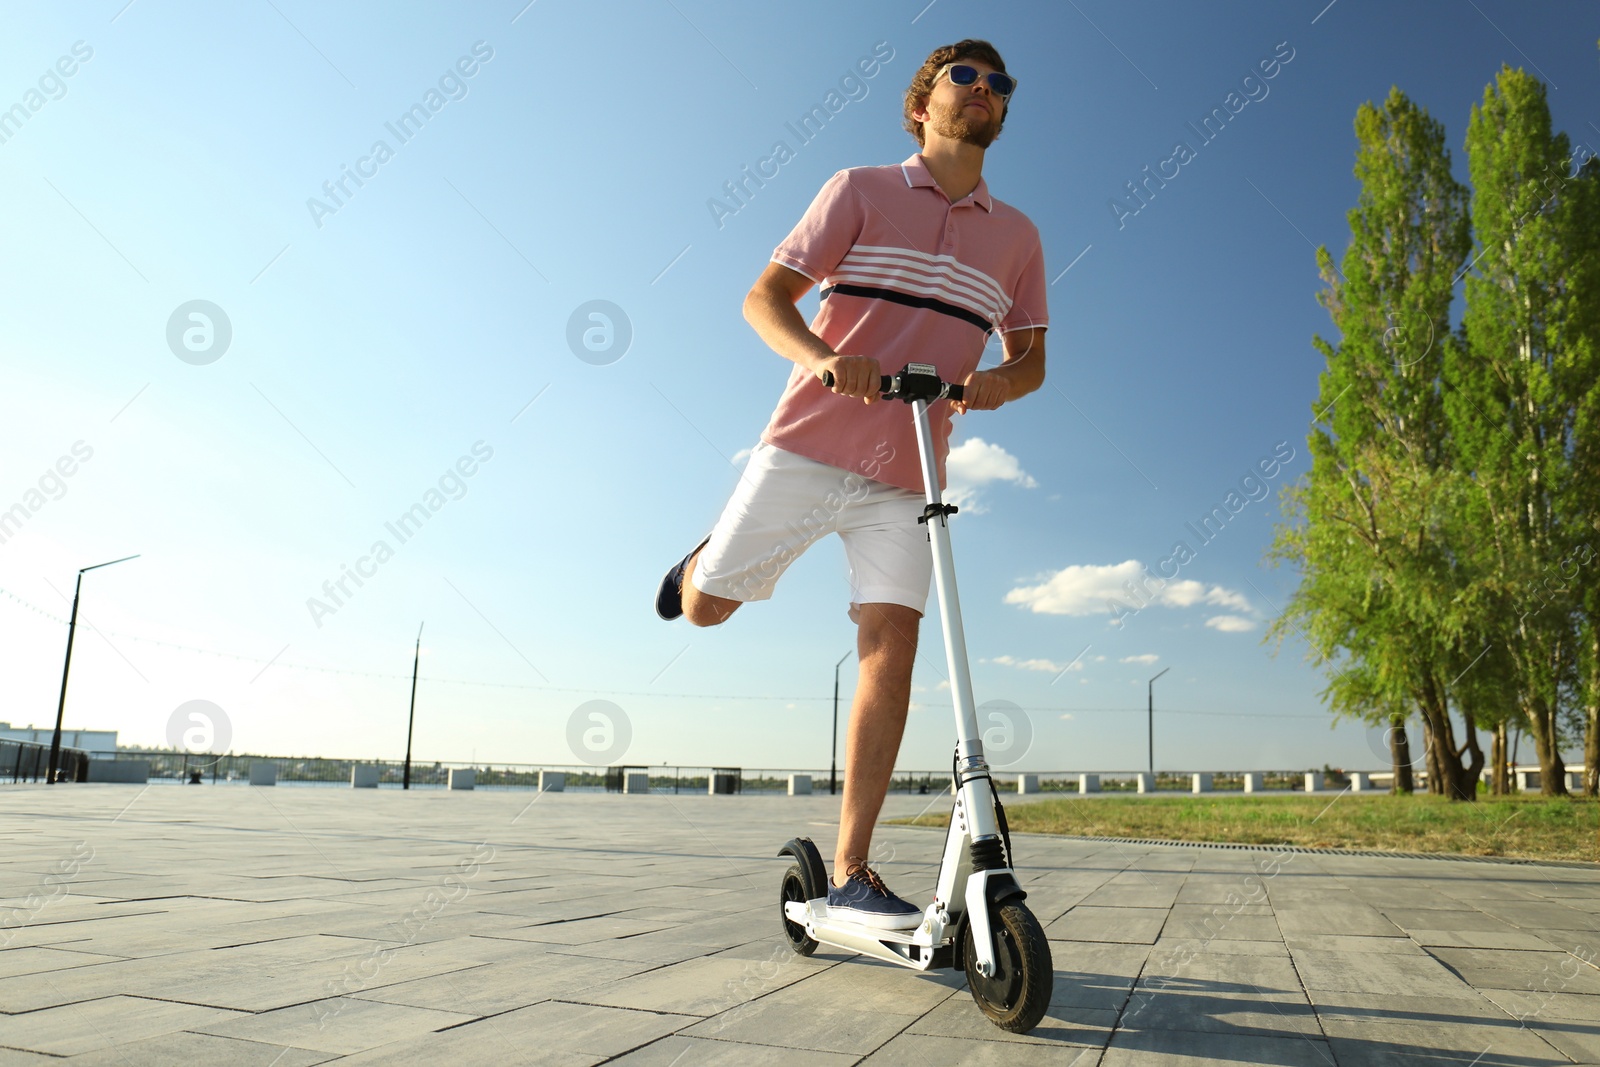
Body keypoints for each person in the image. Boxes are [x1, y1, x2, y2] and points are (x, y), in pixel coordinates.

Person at [656, 39, 1048, 930]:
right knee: (712, 607)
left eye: (999, 84)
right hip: (808, 442)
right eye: (965, 78)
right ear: (923, 104)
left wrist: (997, 380)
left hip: (911, 468)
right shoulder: (859, 189)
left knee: (891, 646)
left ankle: (853, 867)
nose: (983, 91)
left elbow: (1032, 362)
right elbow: (765, 299)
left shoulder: (1017, 235)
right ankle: (700, 563)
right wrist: (827, 358)